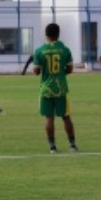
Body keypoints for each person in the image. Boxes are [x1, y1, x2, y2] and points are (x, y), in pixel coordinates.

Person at [33, 23, 78, 153]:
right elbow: (69, 69)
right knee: (66, 117)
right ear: (58, 34)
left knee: (49, 118)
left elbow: (36, 71)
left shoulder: (40, 51)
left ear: (46, 35)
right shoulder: (65, 50)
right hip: (61, 88)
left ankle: (52, 146)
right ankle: (72, 145)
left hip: (46, 89)